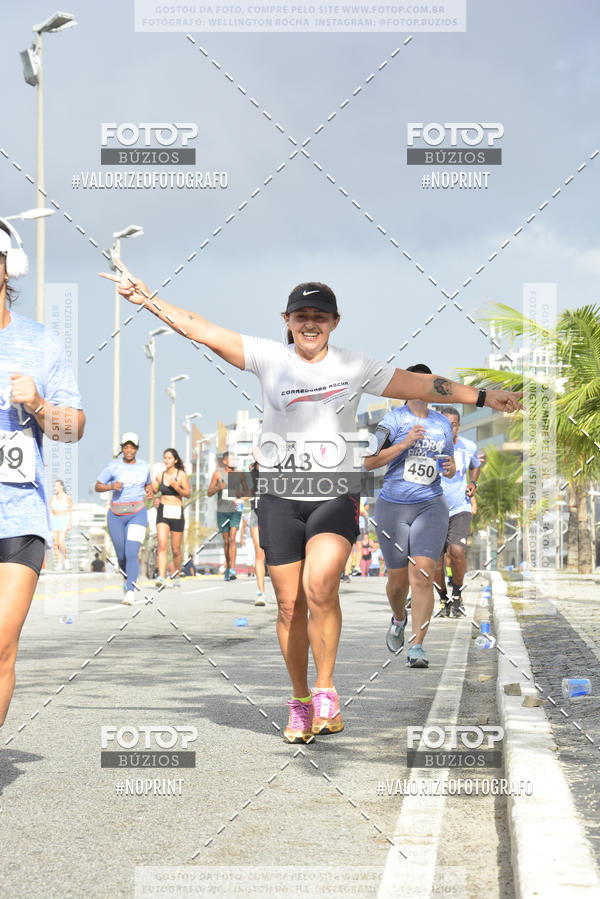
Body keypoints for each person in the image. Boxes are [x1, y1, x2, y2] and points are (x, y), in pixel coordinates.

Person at [100, 262, 522, 741]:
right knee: (289, 604)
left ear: (334, 322)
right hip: (279, 495)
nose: (310, 324)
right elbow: (203, 329)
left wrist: (485, 397)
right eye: (301, 316)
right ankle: (300, 699)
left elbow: (424, 384)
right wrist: (147, 298)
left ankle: (325, 691)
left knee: (320, 586)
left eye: (320, 316)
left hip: (333, 492)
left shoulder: (354, 366)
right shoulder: (268, 357)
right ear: (287, 320)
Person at [0, 216, 84, 730]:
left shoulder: (41, 342)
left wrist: (37, 404)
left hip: (18, 515)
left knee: (1, 645)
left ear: (9, 267)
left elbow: (73, 429)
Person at [364, 364, 457, 668]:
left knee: (423, 574)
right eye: (417, 382)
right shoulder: (391, 420)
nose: (423, 387)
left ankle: (417, 646)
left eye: (428, 383)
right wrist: (404, 444)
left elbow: (449, 462)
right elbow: (368, 461)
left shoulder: (442, 423)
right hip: (393, 506)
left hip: (431, 504)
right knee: (397, 581)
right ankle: (398, 618)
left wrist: (451, 468)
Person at [95, 432, 153, 605]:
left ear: (137, 449)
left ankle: (130, 590)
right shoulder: (113, 466)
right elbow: (98, 486)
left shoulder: (144, 467)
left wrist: (150, 491)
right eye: (126, 447)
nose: (129, 450)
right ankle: (127, 578)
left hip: (137, 513)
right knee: (121, 555)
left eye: (132, 447)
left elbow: (148, 484)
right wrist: (111, 486)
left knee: (132, 552)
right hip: (116, 515)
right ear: (122, 449)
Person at [434, 407, 481, 617]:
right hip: (434, 509)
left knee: (457, 551)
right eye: (444, 424)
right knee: (436, 559)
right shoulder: (431, 446)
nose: (448, 428)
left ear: (458, 426)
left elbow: (476, 465)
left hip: (460, 507)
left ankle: (458, 595)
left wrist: (473, 483)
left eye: (452, 424)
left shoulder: (468, 446)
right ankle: (443, 598)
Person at [152, 447, 191, 588]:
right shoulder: (160, 475)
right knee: (162, 545)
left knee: (175, 549)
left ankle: (176, 575)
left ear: (175, 460)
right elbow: (154, 490)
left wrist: (177, 487)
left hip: (176, 511)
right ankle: (161, 577)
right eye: (165, 458)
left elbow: (188, 494)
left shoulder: (181, 475)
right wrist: (153, 488)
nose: (167, 460)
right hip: (163, 511)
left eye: (169, 458)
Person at [207, 451, 241, 581]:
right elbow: (209, 493)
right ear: (225, 461)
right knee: (226, 541)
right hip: (222, 511)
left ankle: (232, 568)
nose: (233, 461)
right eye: (231, 459)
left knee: (232, 538)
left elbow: (246, 491)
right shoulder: (218, 474)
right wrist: (219, 487)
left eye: (235, 459)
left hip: (235, 510)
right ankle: (228, 566)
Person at [49, 479, 72, 570]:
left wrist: (69, 522)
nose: (55, 488)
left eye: (57, 486)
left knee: (61, 542)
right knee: (55, 544)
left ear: (62, 486)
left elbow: (69, 511)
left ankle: (66, 560)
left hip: (63, 520)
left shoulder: (67, 497)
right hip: (54, 520)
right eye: (54, 486)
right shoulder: (52, 498)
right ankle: (59, 562)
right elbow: (50, 511)